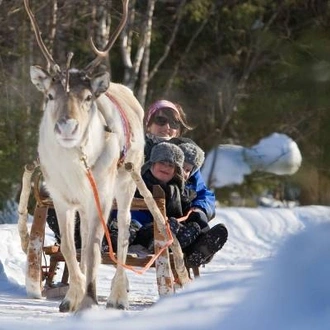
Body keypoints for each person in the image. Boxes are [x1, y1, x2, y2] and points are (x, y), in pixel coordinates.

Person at [107, 141, 203, 253]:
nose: (166, 167)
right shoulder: (137, 181)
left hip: (158, 229)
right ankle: (115, 241)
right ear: (152, 164)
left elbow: (181, 213)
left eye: (171, 165)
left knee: (190, 226)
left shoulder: (177, 191)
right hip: (131, 224)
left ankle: (194, 249)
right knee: (130, 228)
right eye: (162, 162)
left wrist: (194, 214)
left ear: (175, 171)